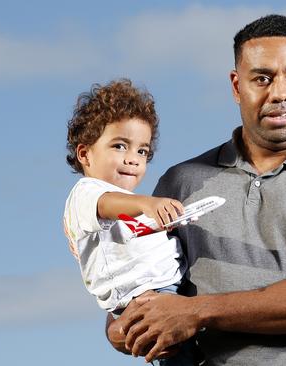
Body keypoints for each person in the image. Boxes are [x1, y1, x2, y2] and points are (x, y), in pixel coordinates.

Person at [107, 14, 286, 366]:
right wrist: (124, 327)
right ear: (236, 85)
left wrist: (196, 313)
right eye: (262, 78)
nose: (280, 93)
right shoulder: (180, 182)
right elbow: (137, 297)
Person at [62, 79, 193, 365]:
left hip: (170, 293)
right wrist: (148, 203)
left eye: (142, 151)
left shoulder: (130, 208)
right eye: (120, 146)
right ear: (85, 154)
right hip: (147, 298)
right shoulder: (86, 193)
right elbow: (107, 204)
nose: (133, 159)